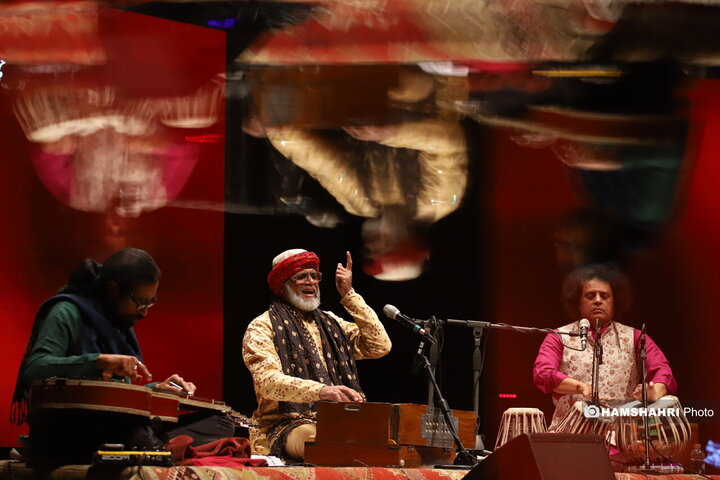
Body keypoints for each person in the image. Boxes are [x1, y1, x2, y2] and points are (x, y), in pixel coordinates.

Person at [11, 248, 232, 463]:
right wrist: (99, 361)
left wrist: (156, 389)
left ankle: (145, 445)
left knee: (220, 423)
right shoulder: (66, 312)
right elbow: (35, 368)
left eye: (150, 303)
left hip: (116, 423)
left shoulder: (118, 322)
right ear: (113, 289)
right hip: (72, 424)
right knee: (129, 428)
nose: (144, 311)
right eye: (140, 302)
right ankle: (148, 445)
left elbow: (115, 395)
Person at [242, 249, 391, 461]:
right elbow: (267, 382)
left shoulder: (331, 324)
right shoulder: (262, 326)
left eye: (315, 276)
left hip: (337, 421)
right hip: (285, 425)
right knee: (325, 442)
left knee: (387, 441)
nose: (311, 281)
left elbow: (379, 345)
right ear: (283, 283)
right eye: (302, 276)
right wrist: (321, 391)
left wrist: (349, 295)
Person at [533, 263, 677, 432]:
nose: (598, 300)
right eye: (590, 295)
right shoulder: (558, 336)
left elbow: (663, 371)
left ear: (614, 302)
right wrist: (580, 387)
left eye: (604, 296)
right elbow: (543, 373)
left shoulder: (636, 338)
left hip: (621, 440)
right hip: (569, 436)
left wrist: (655, 392)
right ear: (578, 301)